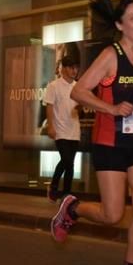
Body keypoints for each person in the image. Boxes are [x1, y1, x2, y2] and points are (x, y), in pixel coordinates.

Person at [49, 0, 133, 265]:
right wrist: (112, 108)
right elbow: (79, 92)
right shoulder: (110, 56)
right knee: (112, 215)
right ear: (120, 24)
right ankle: (73, 208)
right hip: (110, 141)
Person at [44, 55, 81, 202]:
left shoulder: (77, 86)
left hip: (74, 130)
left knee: (69, 163)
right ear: (64, 68)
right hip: (60, 130)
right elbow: (49, 106)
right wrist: (50, 126)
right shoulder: (54, 86)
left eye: (76, 68)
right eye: (72, 67)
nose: (75, 71)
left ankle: (66, 194)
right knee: (66, 160)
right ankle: (55, 187)